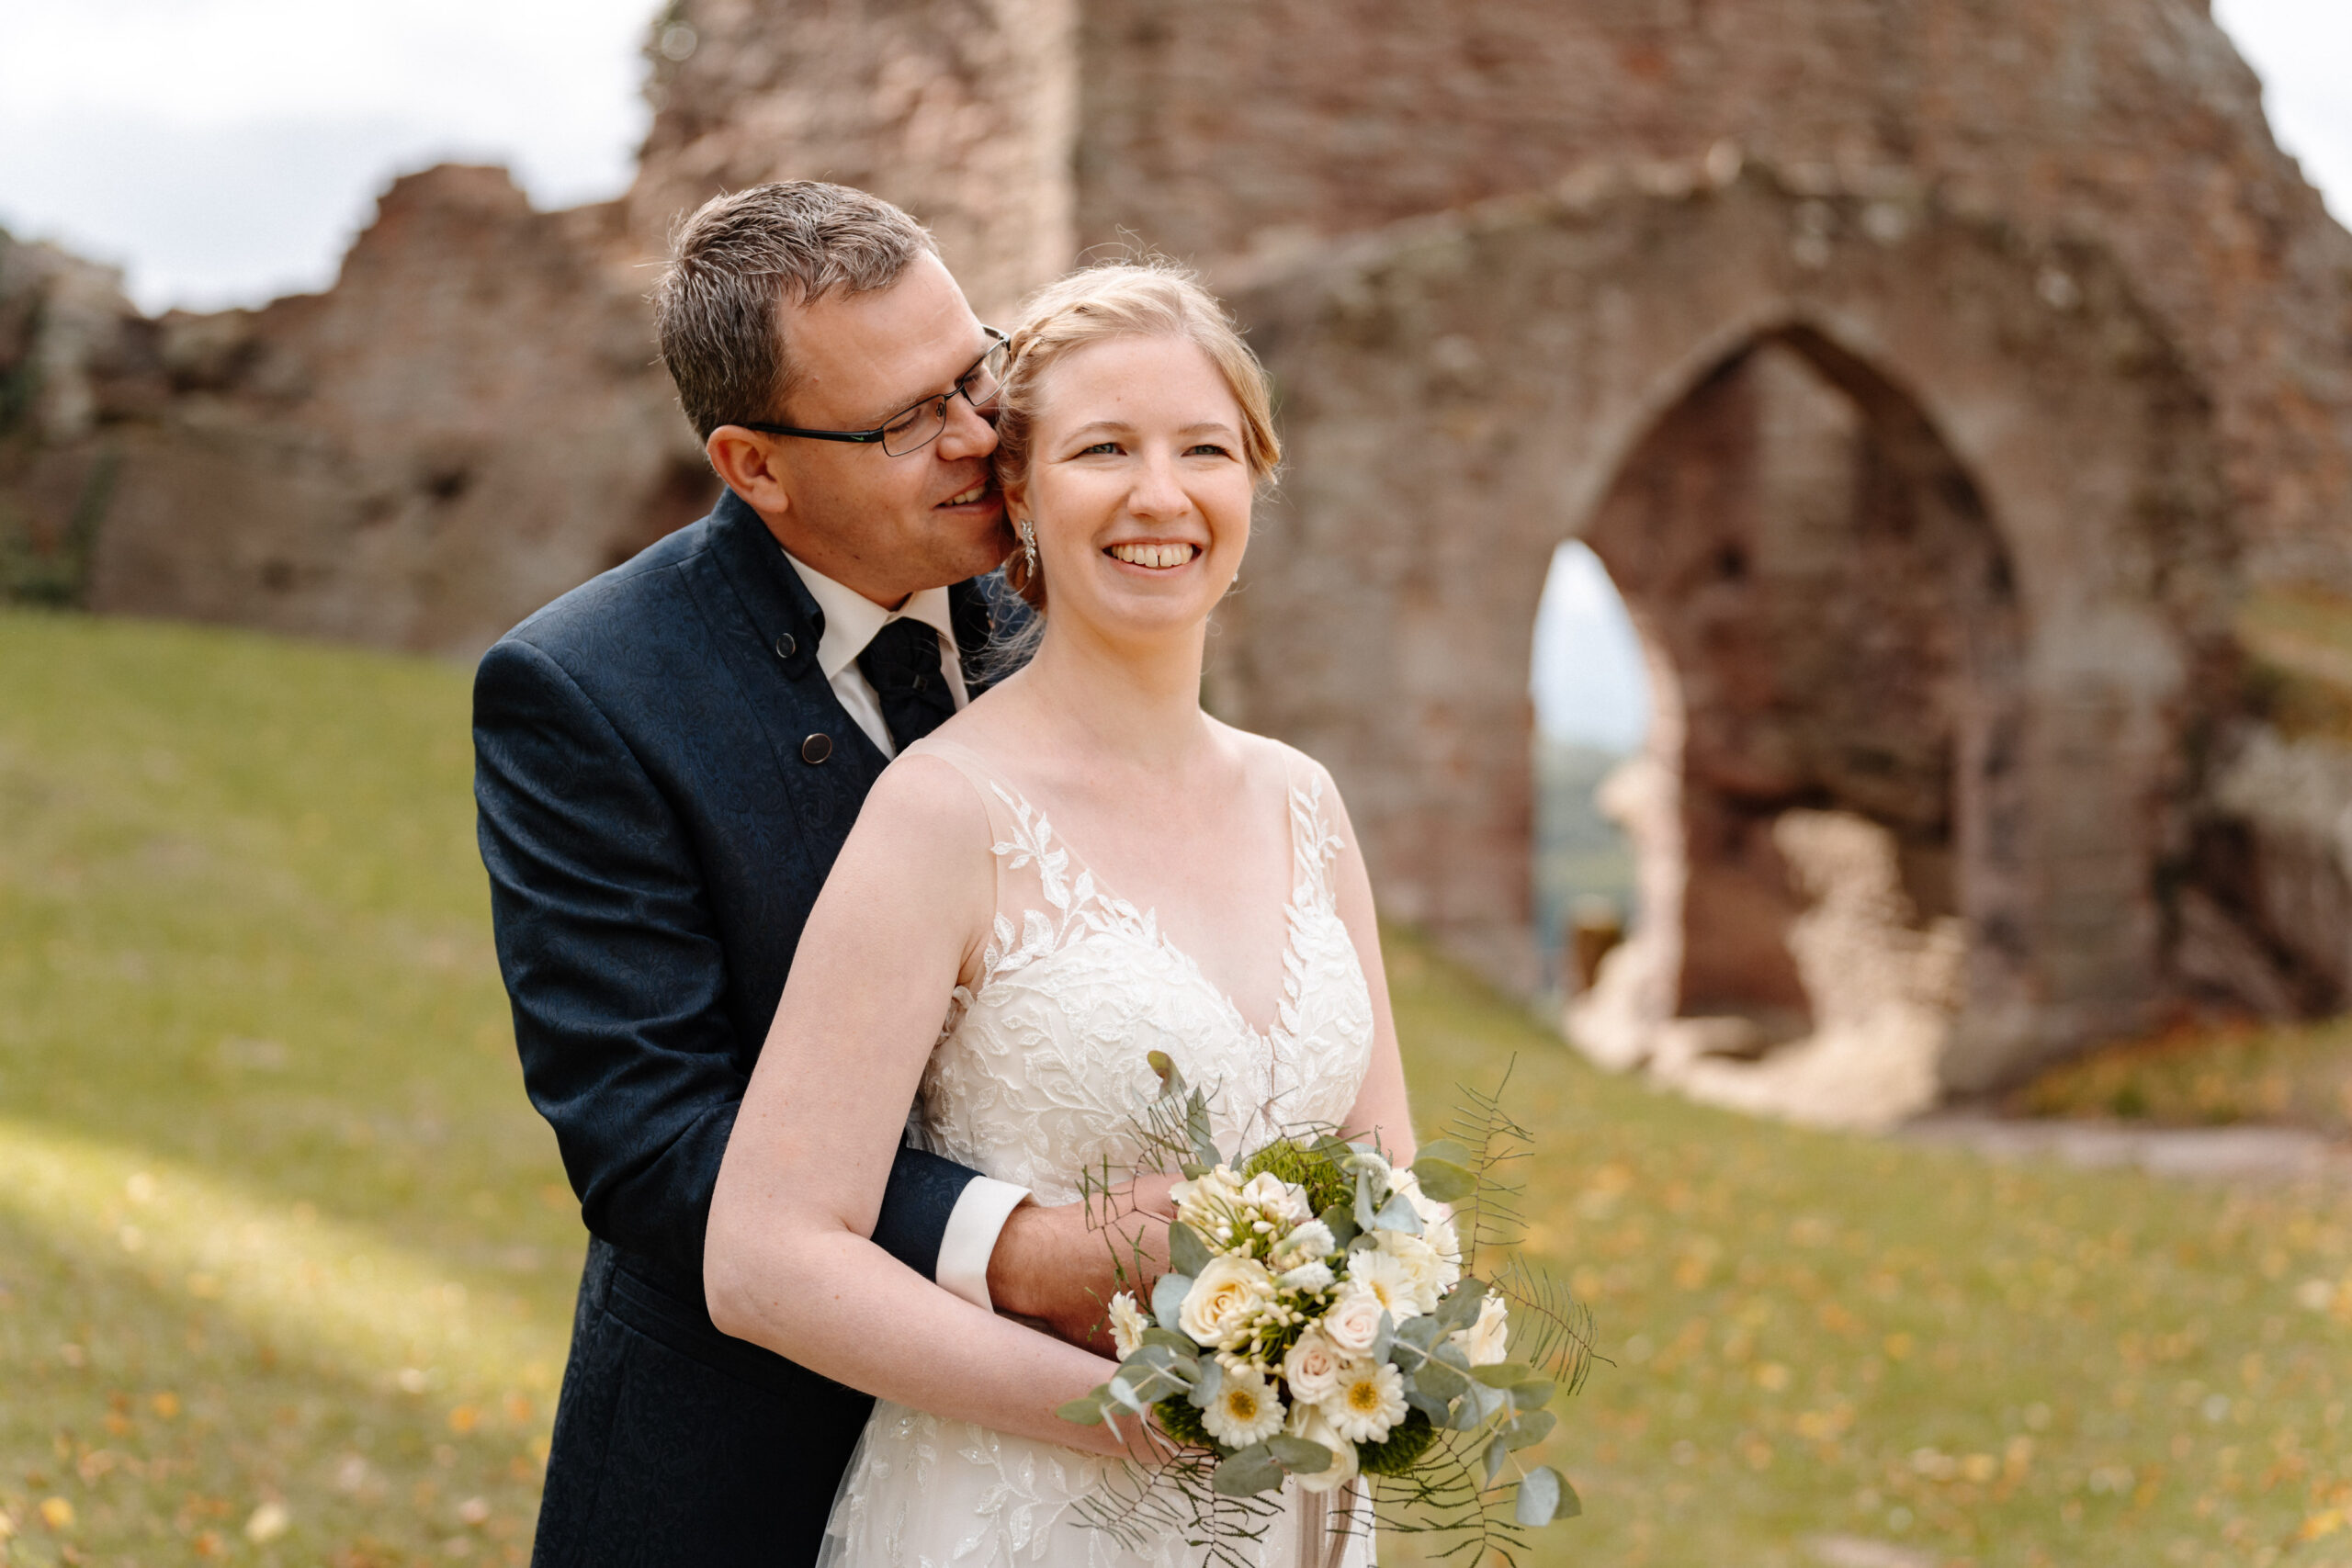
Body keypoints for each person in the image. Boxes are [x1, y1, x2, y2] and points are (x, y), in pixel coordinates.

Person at [472, 183, 1171, 1566]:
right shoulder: (582, 694)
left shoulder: (1069, 592)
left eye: (977, 367)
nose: (980, 438)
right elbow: (653, 1135)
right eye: (910, 422)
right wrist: (1021, 1250)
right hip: (748, 1464)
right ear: (755, 466)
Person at [702, 262, 1420, 1564]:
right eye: (1103, 448)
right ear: (1019, 490)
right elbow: (765, 1259)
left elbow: (1391, 1185)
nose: (1162, 494)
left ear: (1253, 475)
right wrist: (1127, 1418)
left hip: (1299, 1516)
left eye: (1204, 446)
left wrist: (1365, 1336)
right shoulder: (944, 812)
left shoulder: (1305, 800)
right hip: (1018, 1511)